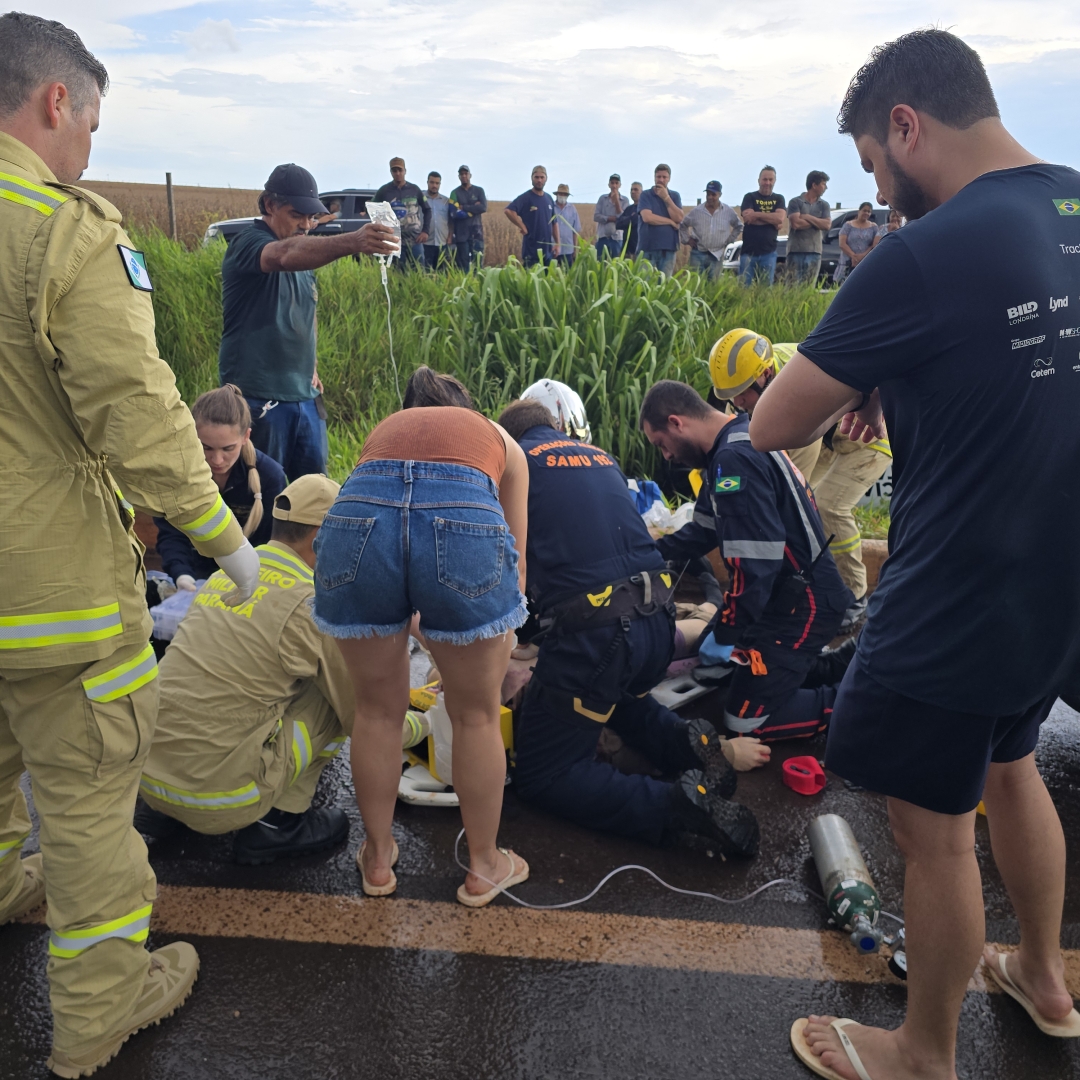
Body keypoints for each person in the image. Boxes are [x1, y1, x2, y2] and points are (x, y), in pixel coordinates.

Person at [745, 28, 1080, 1080]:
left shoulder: (925, 251)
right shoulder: (1072, 201)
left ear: (905, 126)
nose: (881, 194)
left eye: (874, 168)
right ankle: (1045, 976)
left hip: (958, 585)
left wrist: (870, 362)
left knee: (932, 830)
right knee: (1013, 759)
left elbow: (775, 424)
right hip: (1058, 573)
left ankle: (923, 1052)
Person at [0, 14, 263, 1076]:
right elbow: (136, 409)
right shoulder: (62, 230)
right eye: (93, 126)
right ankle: (101, 1009)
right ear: (56, 101)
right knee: (91, 802)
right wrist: (224, 541)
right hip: (48, 591)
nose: (90, 151)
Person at [498, 393, 764, 856]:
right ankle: (686, 743)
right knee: (608, 696)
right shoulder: (600, 458)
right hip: (656, 622)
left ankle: (672, 808)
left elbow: (508, 576)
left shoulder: (513, 465)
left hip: (599, 634)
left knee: (546, 773)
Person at [311, 367, 532, 907]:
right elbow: (515, 564)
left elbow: (395, 527)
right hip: (462, 524)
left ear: (408, 407)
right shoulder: (497, 438)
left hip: (357, 522)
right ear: (467, 406)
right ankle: (484, 866)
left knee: (377, 711)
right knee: (476, 714)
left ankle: (379, 858)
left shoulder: (383, 433)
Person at [135, 476, 357, 864]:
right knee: (333, 696)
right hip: (223, 801)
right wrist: (425, 725)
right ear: (322, 535)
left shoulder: (223, 577)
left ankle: (164, 809)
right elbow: (364, 715)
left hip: (148, 781)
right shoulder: (310, 605)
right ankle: (280, 826)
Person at [641, 380, 853, 744]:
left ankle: (866, 703)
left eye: (661, 444)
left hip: (804, 605)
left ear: (677, 423)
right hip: (785, 596)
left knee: (746, 721)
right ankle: (844, 662)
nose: (666, 456)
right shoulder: (737, 439)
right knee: (724, 664)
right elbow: (704, 531)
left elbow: (755, 567)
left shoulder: (733, 461)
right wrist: (646, 554)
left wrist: (726, 633)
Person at [219, 163, 398, 479]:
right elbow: (282, 255)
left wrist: (311, 364)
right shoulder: (248, 243)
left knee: (313, 492)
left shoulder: (306, 256)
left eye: (311, 217)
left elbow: (308, 307)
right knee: (263, 490)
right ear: (271, 205)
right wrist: (353, 241)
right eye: (296, 214)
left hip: (305, 397)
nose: (305, 224)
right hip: (258, 396)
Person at [716, 329, 891, 627]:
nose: (738, 400)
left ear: (766, 373)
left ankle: (855, 594)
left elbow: (794, 484)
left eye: (743, 391)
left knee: (824, 505)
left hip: (870, 434)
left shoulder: (795, 396)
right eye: (732, 393)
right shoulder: (757, 378)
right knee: (808, 510)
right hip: (832, 433)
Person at [154, 385, 287, 591]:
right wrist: (182, 574)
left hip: (248, 581)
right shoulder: (176, 473)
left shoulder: (270, 477)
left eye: (228, 449)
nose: (217, 460)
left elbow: (269, 545)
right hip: (191, 576)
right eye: (206, 447)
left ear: (246, 436)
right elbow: (172, 533)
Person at [374, 156, 431, 270]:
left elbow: (427, 210)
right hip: (394, 242)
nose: (398, 173)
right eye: (395, 171)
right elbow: (374, 209)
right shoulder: (384, 191)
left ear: (405, 171)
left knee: (418, 271)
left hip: (415, 240)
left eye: (400, 170)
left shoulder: (414, 189)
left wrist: (425, 231)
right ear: (391, 172)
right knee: (397, 273)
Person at [681, 181, 742, 280]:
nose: (710, 197)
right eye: (708, 194)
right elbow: (683, 225)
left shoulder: (728, 211)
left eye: (713, 194)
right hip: (698, 253)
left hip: (716, 255)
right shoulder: (697, 211)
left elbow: (739, 226)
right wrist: (687, 240)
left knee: (713, 286)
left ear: (720, 195)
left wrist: (729, 240)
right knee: (695, 284)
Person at [739, 166, 786, 284]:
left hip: (768, 253)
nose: (767, 183)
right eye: (765, 179)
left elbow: (779, 219)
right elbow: (748, 218)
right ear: (759, 180)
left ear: (775, 181)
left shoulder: (779, 199)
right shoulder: (749, 197)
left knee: (765, 290)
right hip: (748, 253)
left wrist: (757, 214)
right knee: (744, 289)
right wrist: (771, 219)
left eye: (770, 179)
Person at [505, 166, 558, 267]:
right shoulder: (526, 198)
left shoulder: (549, 198)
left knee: (546, 280)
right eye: (536, 177)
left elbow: (554, 223)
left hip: (547, 251)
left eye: (542, 177)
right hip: (531, 250)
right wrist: (522, 226)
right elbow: (508, 210)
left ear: (546, 178)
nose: (539, 180)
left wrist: (557, 243)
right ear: (532, 178)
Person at [786, 171, 832, 283]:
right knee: (792, 287)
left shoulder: (824, 205)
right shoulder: (796, 202)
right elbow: (796, 224)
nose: (826, 187)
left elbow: (827, 225)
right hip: (796, 251)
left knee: (809, 286)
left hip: (815, 252)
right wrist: (818, 221)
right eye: (823, 184)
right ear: (814, 185)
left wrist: (807, 217)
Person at [638, 164, 685, 275]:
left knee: (664, 283)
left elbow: (679, 217)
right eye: (658, 177)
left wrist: (666, 198)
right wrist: (670, 222)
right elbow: (647, 217)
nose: (661, 180)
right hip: (648, 247)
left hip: (668, 247)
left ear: (669, 179)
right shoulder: (646, 195)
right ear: (654, 177)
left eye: (664, 177)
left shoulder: (674, 196)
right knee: (645, 282)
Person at [449, 165, 487, 270]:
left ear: (470, 175)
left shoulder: (479, 191)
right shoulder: (454, 193)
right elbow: (453, 213)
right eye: (461, 174)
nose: (464, 176)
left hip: (476, 233)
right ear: (459, 176)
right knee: (463, 266)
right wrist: (473, 209)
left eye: (466, 174)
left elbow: (483, 207)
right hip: (461, 234)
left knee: (478, 265)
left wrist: (464, 207)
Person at [833, 201, 878, 283]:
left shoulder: (873, 227)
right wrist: (854, 256)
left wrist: (863, 256)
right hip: (847, 260)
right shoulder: (848, 225)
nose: (866, 213)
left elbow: (874, 245)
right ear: (859, 211)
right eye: (864, 210)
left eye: (869, 211)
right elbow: (842, 243)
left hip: (865, 260)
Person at [422, 171, 454, 270]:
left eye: (437, 183)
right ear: (427, 182)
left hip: (442, 242)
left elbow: (451, 220)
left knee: (441, 273)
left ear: (440, 184)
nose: (434, 185)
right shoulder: (421, 198)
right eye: (432, 182)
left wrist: (450, 236)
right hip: (425, 242)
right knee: (426, 271)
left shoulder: (446, 201)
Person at [594, 174, 626, 259]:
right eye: (612, 183)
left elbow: (623, 218)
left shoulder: (625, 200)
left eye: (616, 183)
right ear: (609, 184)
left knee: (615, 262)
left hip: (617, 238)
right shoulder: (602, 199)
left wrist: (617, 202)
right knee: (600, 262)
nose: (614, 186)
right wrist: (609, 218)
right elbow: (596, 216)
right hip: (602, 237)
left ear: (620, 185)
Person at [552, 184, 580, 265]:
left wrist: (575, 249)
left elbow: (575, 231)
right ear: (557, 195)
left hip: (568, 249)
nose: (563, 196)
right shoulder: (551, 207)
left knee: (567, 275)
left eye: (565, 195)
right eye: (561, 194)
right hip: (553, 248)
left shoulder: (572, 209)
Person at [615, 181, 644, 257]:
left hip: (639, 250)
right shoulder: (629, 209)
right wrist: (631, 218)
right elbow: (618, 224)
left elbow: (635, 221)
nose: (633, 192)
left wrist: (628, 219)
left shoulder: (644, 208)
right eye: (631, 190)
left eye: (636, 190)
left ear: (642, 192)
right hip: (626, 250)